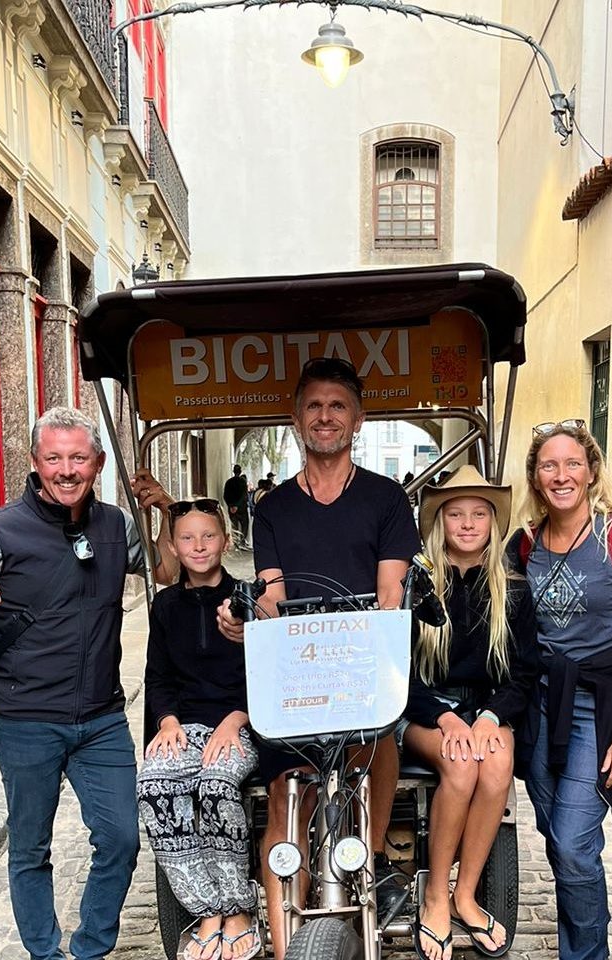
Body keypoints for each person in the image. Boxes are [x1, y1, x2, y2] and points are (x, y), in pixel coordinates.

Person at [0, 407, 175, 960]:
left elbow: (167, 573)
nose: (66, 469)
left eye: (78, 457)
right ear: (35, 462)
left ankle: (89, 949)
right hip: (25, 721)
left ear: (98, 463)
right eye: (53, 457)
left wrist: (164, 514)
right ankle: (44, 953)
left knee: (123, 839)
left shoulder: (114, 525)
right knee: (30, 847)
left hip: (102, 720)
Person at [217, 356, 421, 960]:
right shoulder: (273, 507)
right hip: (298, 668)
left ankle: (376, 857)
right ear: (296, 418)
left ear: (357, 420)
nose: (325, 417)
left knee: (379, 736)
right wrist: (250, 620)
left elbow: (389, 597)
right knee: (286, 791)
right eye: (314, 406)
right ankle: (287, 945)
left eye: (337, 407)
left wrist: (353, 647)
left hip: (362, 667)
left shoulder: (386, 499)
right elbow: (274, 597)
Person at [506, 419, 612, 960]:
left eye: (573, 463)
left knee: (573, 842)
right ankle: (585, 928)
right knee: (558, 837)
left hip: (600, 708)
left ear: (591, 472)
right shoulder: (524, 545)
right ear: (535, 477)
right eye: (550, 465)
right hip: (542, 707)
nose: (562, 474)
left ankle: (587, 953)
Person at [402, 466, 538, 960]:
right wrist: (444, 716)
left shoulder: (513, 590)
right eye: (455, 513)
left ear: (492, 522)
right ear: (440, 521)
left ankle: (467, 893)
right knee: (460, 767)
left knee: (497, 765)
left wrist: (489, 716)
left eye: (478, 513)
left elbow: (523, 673)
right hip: (423, 711)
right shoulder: (416, 586)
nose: (466, 523)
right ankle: (437, 894)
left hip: (485, 709)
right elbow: (397, 670)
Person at [137, 498, 260, 960]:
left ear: (225, 541)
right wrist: (167, 721)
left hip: (240, 725)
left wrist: (235, 720)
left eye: (208, 536)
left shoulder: (248, 599)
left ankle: (238, 911)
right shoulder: (166, 606)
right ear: (173, 545)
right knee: (154, 784)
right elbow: (158, 675)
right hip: (185, 725)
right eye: (187, 538)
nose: (199, 546)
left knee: (215, 785)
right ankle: (207, 909)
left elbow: (267, 671)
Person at [223, 464, 249, 549]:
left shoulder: (228, 482)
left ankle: (236, 543)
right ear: (240, 471)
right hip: (242, 508)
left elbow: (225, 495)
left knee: (234, 526)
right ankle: (242, 541)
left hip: (232, 508)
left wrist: (231, 506)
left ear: (233, 471)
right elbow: (244, 495)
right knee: (244, 525)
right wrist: (237, 505)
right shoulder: (243, 482)